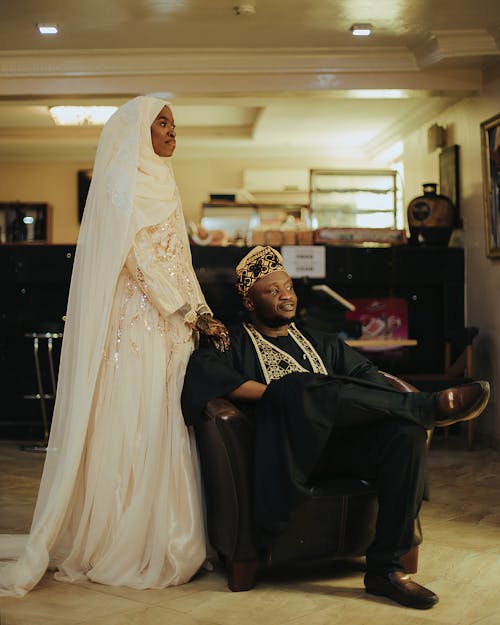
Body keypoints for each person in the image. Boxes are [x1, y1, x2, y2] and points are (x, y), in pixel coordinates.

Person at [0, 96, 229, 596]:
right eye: (163, 123)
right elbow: (139, 262)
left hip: (175, 325)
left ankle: (172, 533)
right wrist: (186, 310)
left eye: (175, 123)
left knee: (171, 418)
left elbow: (180, 261)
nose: (173, 133)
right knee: (139, 415)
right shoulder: (119, 186)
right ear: (137, 133)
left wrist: (202, 311)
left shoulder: (166, 182)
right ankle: (126, 539)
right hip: (139, 326)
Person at [182, 245, 490, 610]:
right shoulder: (231, 343)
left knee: (404, 437)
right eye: (273, 291)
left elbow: (368, 379)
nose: (286, 297)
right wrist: (283, 397)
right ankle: (425, 407)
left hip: (338, 449)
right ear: (250, 302)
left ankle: (386, 570)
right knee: (298, 387)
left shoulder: (320, 341)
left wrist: (328, 397)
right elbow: (204, 376)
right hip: (284, 455)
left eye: (289, 288)